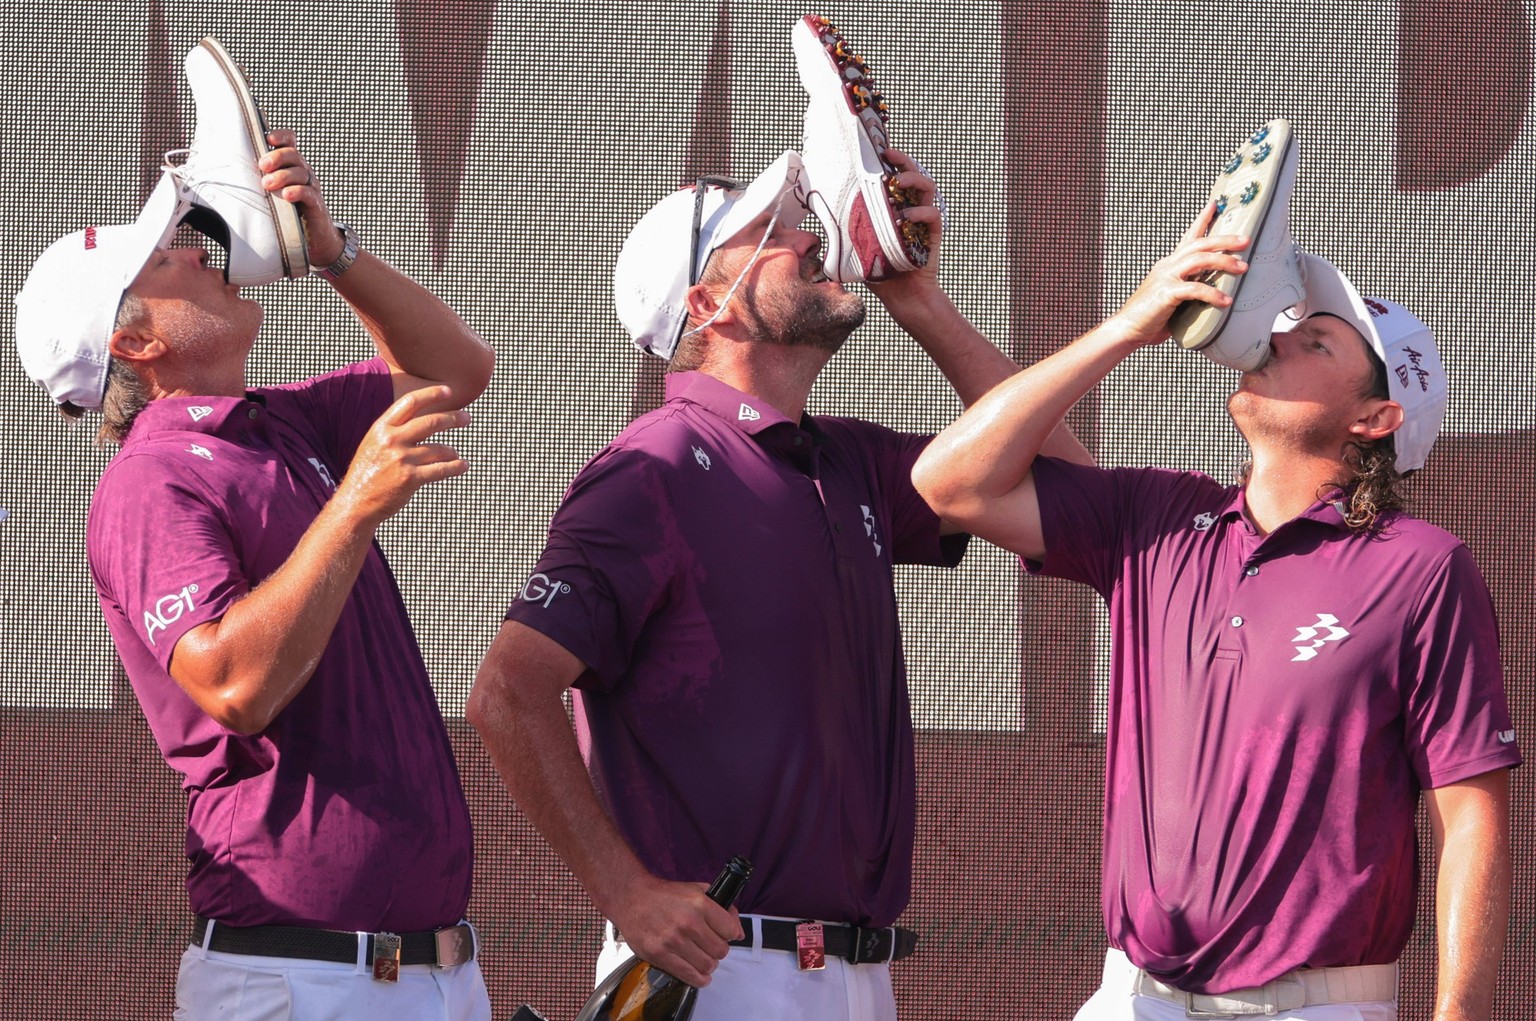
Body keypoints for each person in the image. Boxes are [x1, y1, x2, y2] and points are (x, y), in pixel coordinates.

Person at [466, 22, 1088, 1020]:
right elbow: (507, 691)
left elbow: (1078, 503)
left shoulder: (852, 460)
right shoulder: (651, 469)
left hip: (853, 977)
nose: (813, 236)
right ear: (706, 306)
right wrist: (623, 892)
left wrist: (919, 300)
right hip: (720, 974)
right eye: (776, 231)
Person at [910, 204, 1521, 1020]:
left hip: (1317, 1006)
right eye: (1288, 324)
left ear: (1375, 419)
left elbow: (1471, 814)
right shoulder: (1158, 514)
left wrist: (1462, 1013)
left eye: (1318, 342)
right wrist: (1128, 325)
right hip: (1134, 996)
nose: (1276, 338)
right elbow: (951, 485)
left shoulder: (1421, 566)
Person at [14, 41, 494, 1021]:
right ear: (134, 341)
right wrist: (354, 504)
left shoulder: (285, 421)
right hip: (302, 978)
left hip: (423, 975)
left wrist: (337, 254)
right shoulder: (146, 481)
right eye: (166, 255)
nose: (201, 247)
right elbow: (234, 684)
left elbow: (456, 370)